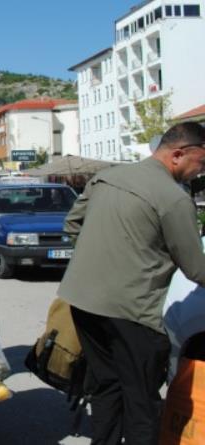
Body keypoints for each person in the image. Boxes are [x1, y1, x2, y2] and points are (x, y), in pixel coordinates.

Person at [58, 122, 205, 445]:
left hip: (84, 303)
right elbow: (197, 269)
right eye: (202, 164)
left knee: (107, 387)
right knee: (141, 401)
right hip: (133, 311)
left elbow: (72, 224)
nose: (200, 172)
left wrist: (108, 251)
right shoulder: (173, 198)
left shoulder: (108, 176)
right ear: (179, 154)